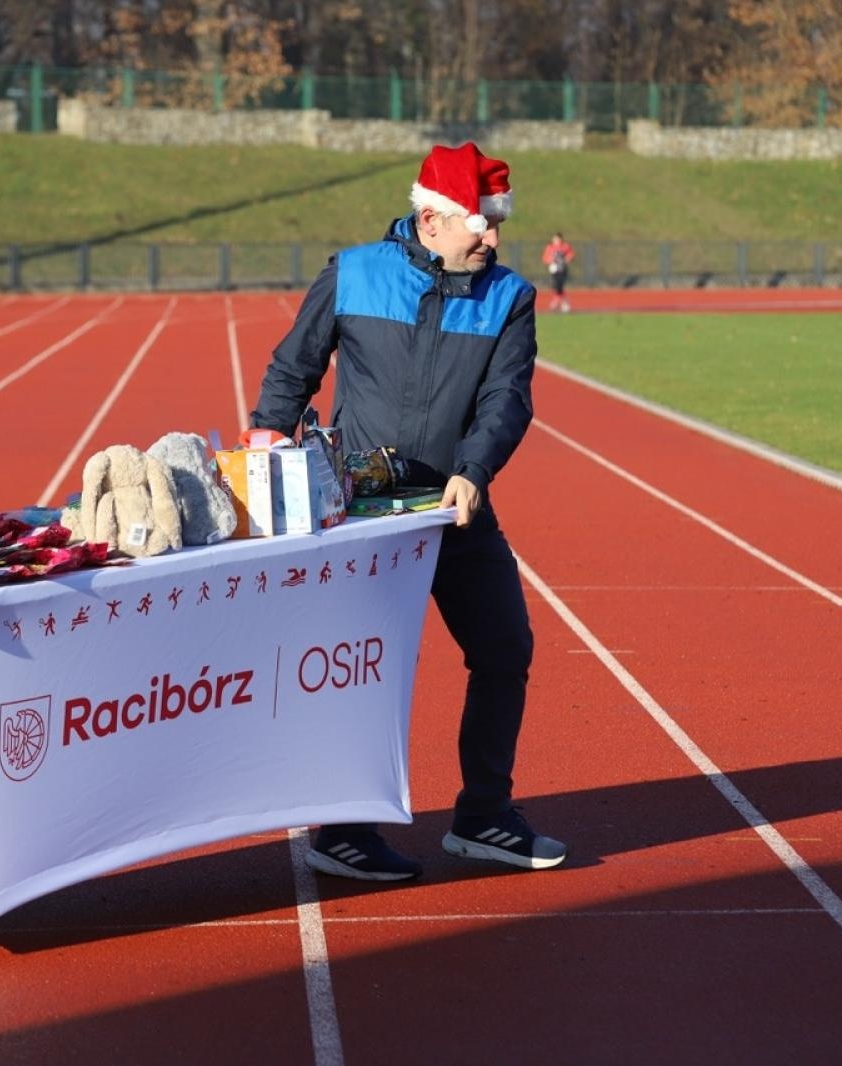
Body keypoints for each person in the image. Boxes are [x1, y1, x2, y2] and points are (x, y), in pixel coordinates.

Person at [252, 142, 567, 882]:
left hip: (453, 511)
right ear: (432, 220)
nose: (493, 240)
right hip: (362, 517)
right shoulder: (353, 272)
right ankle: (344, 830)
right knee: (362, 668)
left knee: (505, 648)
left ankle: (484, 815)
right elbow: (294, 366)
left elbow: (506, 397)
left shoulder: (510, 296)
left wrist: (474, 470)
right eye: (481, 225)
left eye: (496, 224)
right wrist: (266, 445)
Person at [541, 231, 575, 312]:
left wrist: (567, 259)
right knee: (556, 286)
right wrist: (550, 260)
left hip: (563, 269)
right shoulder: (550, 247)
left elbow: (571, 255)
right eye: (555, 239)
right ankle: (562, 302)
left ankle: (558, 302)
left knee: (560, 286)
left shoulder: (565, 246)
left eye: (558, 239)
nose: (556, 240)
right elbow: (545, 258)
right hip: (554, 270)